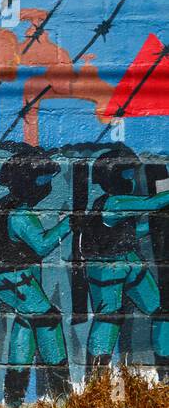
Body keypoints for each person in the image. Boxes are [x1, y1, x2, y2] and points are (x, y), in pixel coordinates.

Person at [0, 148, 71, 407]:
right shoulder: (20, 214)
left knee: (26, 322)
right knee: (48, 318)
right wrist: (70, 223)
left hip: (1, 276)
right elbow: (42, 245)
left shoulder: (4, 205)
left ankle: (14, 399)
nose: (47, 186)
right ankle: (63, 395)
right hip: (11, 277)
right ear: (27, 182)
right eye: (42, 180)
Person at [80, 146, 169, 378]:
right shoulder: (114, 203)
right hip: (105, 267)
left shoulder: (118, 204)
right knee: (109, 318)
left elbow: (135, 230)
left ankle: (165, 371)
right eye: (127, 174)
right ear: (113, 177)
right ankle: (95, 382)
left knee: (159, 310)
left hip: (127, 259)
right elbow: (152, 204)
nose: (131, 179)